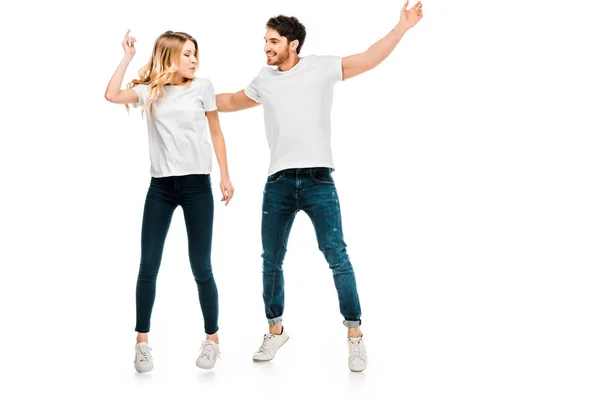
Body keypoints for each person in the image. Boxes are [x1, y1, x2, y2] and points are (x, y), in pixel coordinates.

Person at [216, 1, 423, 372]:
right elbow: (231, 101)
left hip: (318, 180)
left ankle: (355, 336)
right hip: (278, 181)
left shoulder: (321, 67)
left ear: (292, 44)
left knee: (336, 255)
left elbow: (369, 58)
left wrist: (402, 27)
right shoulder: (264, 79)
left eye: (273, 40)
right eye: (265, 39)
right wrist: (190, 95)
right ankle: (275, 329)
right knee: (271, 260)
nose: (266, 46)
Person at [105, 29, 234, 372]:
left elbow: (217, 133)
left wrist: (224, 175)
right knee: (148, 265)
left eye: (195, 53)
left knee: (201, 266)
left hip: (197, 187)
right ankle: (142, 342)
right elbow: (111, 95)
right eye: (188, 54)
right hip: (160, 188)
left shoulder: (203, 87)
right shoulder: (150, 91)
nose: (194, 60)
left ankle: (212, 339)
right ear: (170, 57)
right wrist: (128, 57)